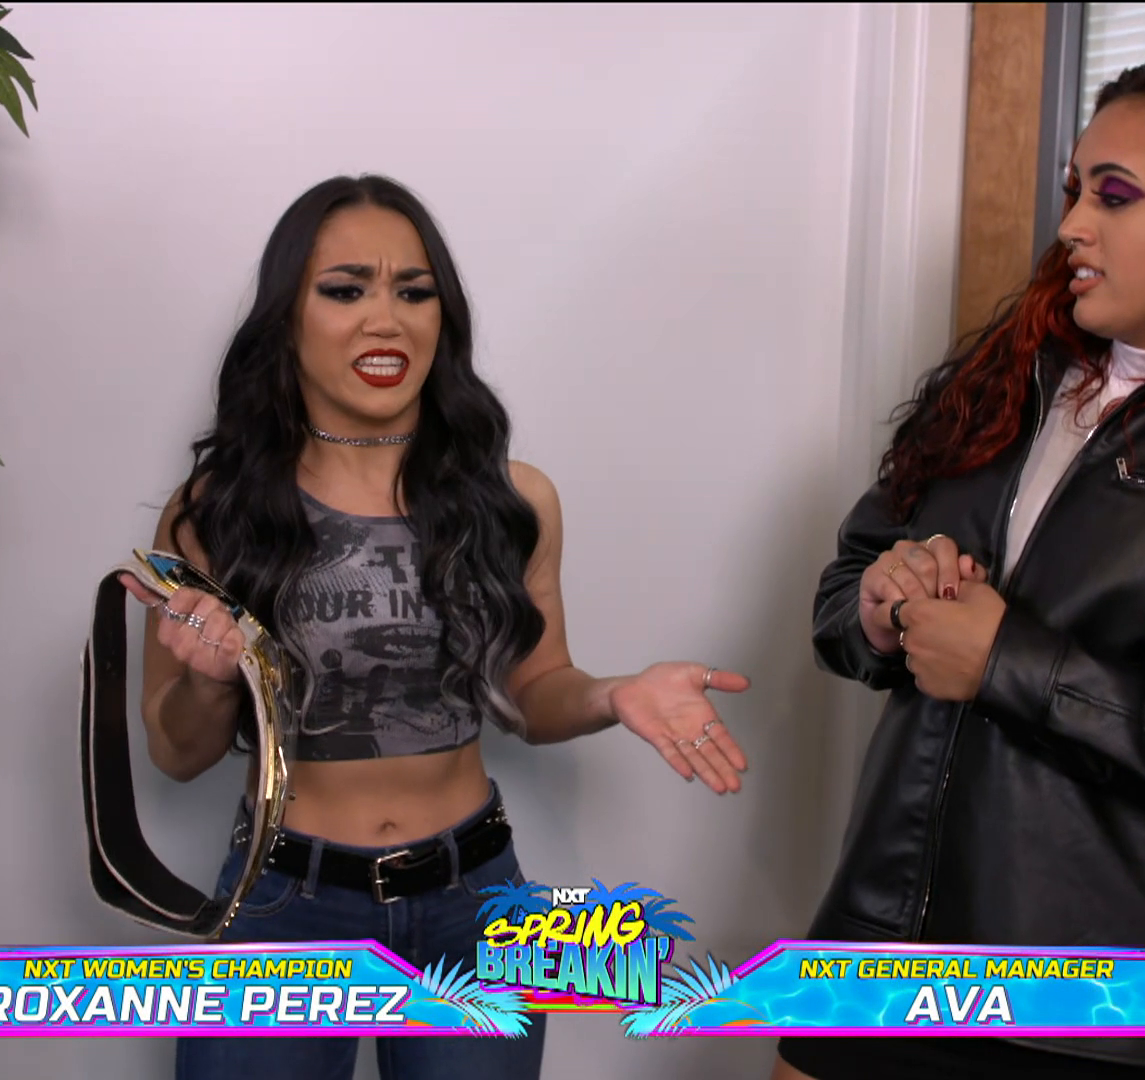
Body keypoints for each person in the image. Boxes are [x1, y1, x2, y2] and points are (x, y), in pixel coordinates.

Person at [775, 60, 1145, 1079]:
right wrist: (880, 606)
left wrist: (1008, 661)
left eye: (1114, 195)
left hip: (1094, 1002)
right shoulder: (1001, 383)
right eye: (1073, 189)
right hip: (880, 940)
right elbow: (845, 589)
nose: (1072, 227)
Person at [121, 174, 751, 1080]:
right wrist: (208, 679)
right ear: (287, 318)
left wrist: (616, 694)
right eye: (346, 290)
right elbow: (175, 752)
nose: (386, 320)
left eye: (413, 292)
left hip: (479, 903)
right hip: (282, 905)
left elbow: (536, 693)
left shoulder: (513, 500)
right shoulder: (216, 512)